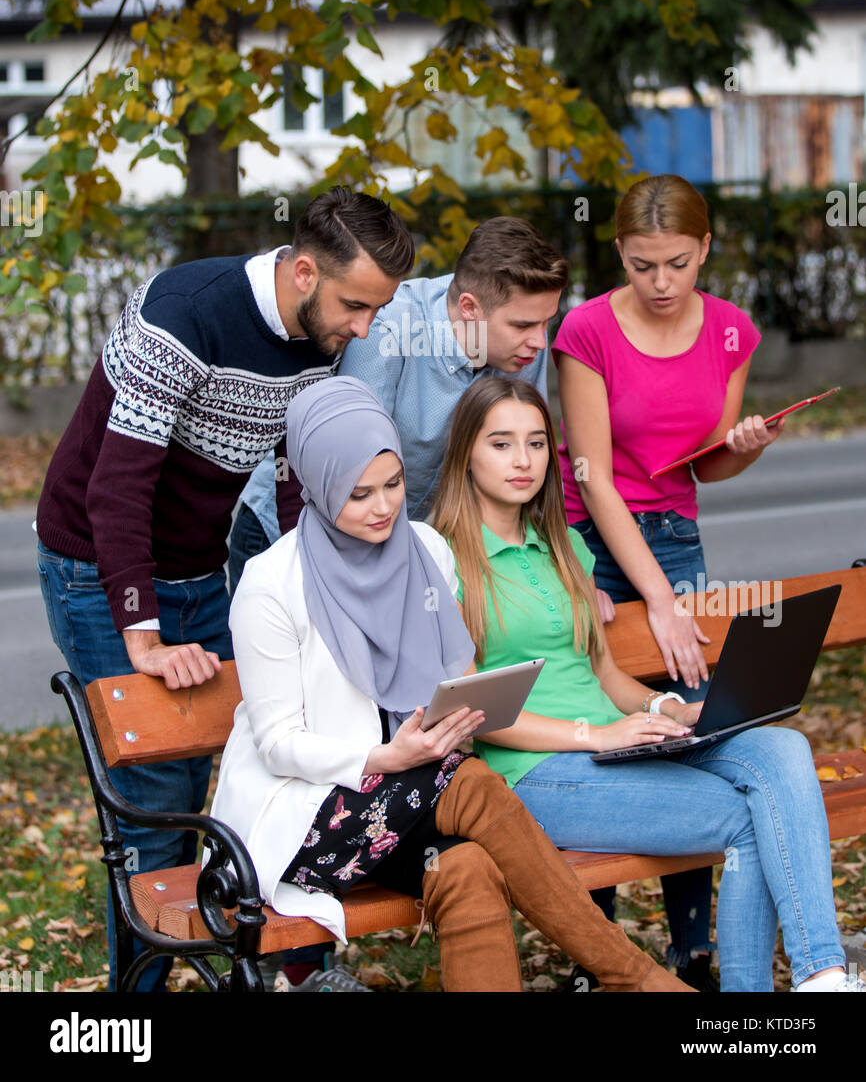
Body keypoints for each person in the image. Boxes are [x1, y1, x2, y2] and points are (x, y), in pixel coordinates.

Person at [36, 187, 414, 990]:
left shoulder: (323, 333)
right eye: (356, 305)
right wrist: (142, 635)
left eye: (376, 311)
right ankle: (133, 1001)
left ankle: (289, 974)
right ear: (305, 270)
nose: (364, 329)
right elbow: (117, 488)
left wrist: (322, 587)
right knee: (159, 790)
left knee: (267, 756)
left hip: (200, 565)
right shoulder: (181, 313)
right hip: (94, 563)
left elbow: (292, 473)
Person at [209, 376, 693, 993]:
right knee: (472, 784)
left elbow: (452, 681)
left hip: (407, 800)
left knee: (466, 871)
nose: (383, 508)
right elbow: (277, 743)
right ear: (316, 485)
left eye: (393, 486)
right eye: (358, 495)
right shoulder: (270, 585)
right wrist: (386, 755)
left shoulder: (425, 550)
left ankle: (632, 980)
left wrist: (451, 724)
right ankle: (636, 979)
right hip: (306, 815)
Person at [429, 375, 862, 993]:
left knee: (780, 747)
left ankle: (821, 973)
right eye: (501, 444)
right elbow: (472, 715)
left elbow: (603, 674)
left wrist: (667, 708)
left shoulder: (566, 547)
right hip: (532, 774)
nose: (522, 461)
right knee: (748, 818)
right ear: (465, 451)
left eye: (534, 443)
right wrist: (598, 737)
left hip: (617, 743)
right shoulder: (444, 559)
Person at [552, 173, 785, 986]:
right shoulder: (586, 330)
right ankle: (599, 956)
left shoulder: (730, 332)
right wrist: (657, 598)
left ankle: (693, 954)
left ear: (705, 250)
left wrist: (745, 448)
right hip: (588, 537)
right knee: (600, 726)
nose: (660, 283)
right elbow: (592, 476)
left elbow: (704, 464)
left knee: (690, 732)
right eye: (643, 264)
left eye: (678, 264)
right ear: (619, 252)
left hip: (677, 535)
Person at [226, 216, 571, 573]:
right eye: (523, 326)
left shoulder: (524, 342)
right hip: (297, 528)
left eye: (547, 322)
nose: (538, 340)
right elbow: (351, 470)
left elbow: (527, 455)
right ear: (469, 308)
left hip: (414, 540)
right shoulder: (388, 327)